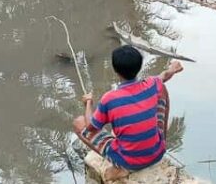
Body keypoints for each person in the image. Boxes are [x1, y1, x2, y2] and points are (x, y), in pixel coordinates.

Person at [74, 46, 184, 181]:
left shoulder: (110, 99)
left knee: (79, 123)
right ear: (139, 66)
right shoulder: (152, 83)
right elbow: (164, 76)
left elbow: (91, 126)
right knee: (162, 89)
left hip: (128, 162)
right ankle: (161, 142)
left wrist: (89, 103)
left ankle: (121, 167)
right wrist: (173, 68)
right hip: (157, 154)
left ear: (116, 70)